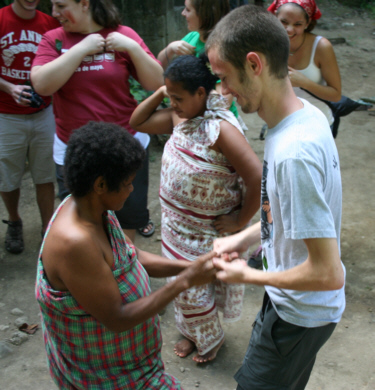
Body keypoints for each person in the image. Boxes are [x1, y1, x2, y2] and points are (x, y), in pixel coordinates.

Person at [206, 5, 345, 389]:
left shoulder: (292, 154)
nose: (222, 92)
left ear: (254, 65)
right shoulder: (305, 116)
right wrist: (245, 237)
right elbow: (285, 213)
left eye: (224, 77)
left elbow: (327, 272)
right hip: (293, 305)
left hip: (299, 314)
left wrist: (247, 274)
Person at [35, 121, 217, 389]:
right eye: (128, 183)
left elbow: (130, 256)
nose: (132, 190)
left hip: (133, 366)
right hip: (107, 378)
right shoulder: (75, 243)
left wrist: (188, 265)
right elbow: (117, 318)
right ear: (100, 184)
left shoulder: (91, 208)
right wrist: (186, 279)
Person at [130, 54, 262, 363]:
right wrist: (163, 93)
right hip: (176, 228)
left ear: (201, 93)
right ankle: (192, 333)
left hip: (207, 231)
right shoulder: (181, 116)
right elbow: (137, 122)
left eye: (178, 97)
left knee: (195, 289)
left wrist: (240, 221)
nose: (172, 104)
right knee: (180, 288)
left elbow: (257, 177)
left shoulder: (220, 130)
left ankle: (210, 339)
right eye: (170, 97)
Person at [31, 0, 162, 242]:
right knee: (84, 227)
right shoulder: (54, 39)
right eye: (52, 5)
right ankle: (93, 276)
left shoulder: (123, 35)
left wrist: (132, 48)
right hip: (74, 152)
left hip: (126, 146)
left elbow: (156, 82)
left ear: (84, 4)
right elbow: (42, 84)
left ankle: (123, 273)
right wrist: (80, 49)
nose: (54, 13)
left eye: (60, 5)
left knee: (126, 222)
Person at [0, 0, 60, 254]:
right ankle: (14, 220)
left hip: (43, 111)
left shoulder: (49, 22)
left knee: (45, 174)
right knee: (7, 176)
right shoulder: (2, 19)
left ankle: (47, 229)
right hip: (6, 113)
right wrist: (10, 88)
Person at [268, 0, 370, 138]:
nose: (289, 29)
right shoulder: (269, 44)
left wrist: (304, 82)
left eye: (297, 24)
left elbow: (335, 94)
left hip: (316, 126)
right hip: (281, 123)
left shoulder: (321, 47)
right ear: (275, 17)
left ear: (308, 22)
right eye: (284, 22)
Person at [157, 0, 246, 127]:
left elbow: (223, 101)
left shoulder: (222, 49)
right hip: (195, 116)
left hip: (219, 123)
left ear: (204, 14)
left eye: (188, 10)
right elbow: (159, 67)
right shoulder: (193, 37)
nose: (183, 13)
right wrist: (170, 49)